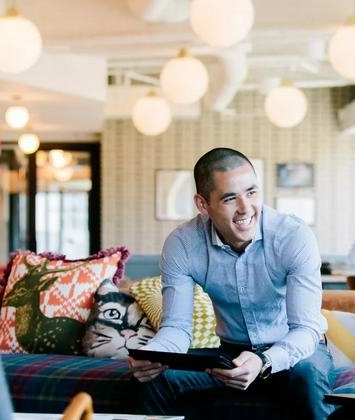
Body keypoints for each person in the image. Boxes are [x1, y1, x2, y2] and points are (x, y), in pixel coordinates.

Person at [130, 148, 332, 419]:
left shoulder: (293, 236)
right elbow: (176, 328)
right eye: (229, 198)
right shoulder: (183, 244)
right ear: (203, 204)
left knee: (306, 377)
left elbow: (306, 330)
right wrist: (155, 354)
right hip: (230, 357)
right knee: (153, 380)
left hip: (296, 353)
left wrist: (264, 361)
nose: (246, 208)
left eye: (251, 192)